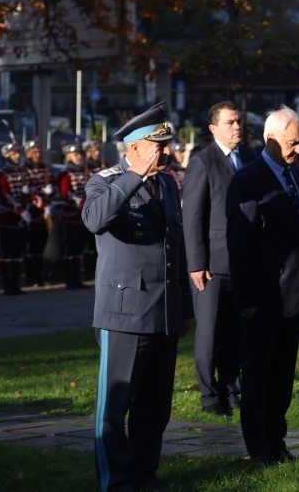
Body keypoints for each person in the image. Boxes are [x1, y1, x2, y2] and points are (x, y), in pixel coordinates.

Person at [82, 102, 192, 492]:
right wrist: (132, 176)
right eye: (158, 146)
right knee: (113, 410)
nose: (166, 152)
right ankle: (115, 482)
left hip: (162, 312)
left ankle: (145, 476)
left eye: (166, 145)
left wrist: (183, 310)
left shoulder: (166, 184)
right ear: (134, 147)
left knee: (154, 408)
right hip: (123, 313)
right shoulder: (105, 181)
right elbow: (95, 219)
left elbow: (174, 250)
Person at [227, 106, 299, 466]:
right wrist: (245, 298)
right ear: (270, 140)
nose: (297, 150)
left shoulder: (295, 175)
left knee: (281, 376)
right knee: (259, 374)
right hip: (263, 297)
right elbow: (239, 243)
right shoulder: (249, 179)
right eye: (292, 143)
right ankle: (258, 446)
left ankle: (276, 440)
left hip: (293, 295)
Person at [182, 101, 245, 416]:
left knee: (234, 333)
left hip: (238, 263)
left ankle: (231, 388)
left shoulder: (242, 160)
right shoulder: (203, 162)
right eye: (231, 122)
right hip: (211, 265)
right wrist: (196, 263)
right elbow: (192, 215)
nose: (237, 127)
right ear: (213, 128)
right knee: (209, 333)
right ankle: (209, 396)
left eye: (239, 122)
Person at [0, 142, 29, 295]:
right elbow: (5, 196)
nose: (17, 156)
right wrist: (20, 210)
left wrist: (27, 199)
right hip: (7, 218)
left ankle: (15, 284)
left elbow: (24, 195)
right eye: (14, 154)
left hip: (19, 219)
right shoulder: (2, 174)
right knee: (7, 252)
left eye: (17, 153)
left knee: (16, 252)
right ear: (6, 156)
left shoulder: (22, 172)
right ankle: (7, 285)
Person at [56, 143, 91, 290]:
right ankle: (69, 279)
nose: (79, 157)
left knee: (78, 248)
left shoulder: (83, 171)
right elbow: (65, 193)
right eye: (76, 155)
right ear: (68, 157)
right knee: (70, 248)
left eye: (80, 154)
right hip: (70, 215)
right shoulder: (65, 173)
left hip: (80, 215)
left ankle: (77, 279)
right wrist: (77, 201)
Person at [22, 141, 56, 287]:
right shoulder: (24, 169)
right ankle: (31, 277)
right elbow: (28, 193)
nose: (38, 154)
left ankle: (39, 276)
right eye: (34, 151)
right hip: (30, 213)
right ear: (27, 153)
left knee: (41, 246)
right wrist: (43, 204)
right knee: (31, 247)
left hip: (44, 214)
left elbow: (52, 186)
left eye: (39, 151)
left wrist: (51, 191)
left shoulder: (45, 168)